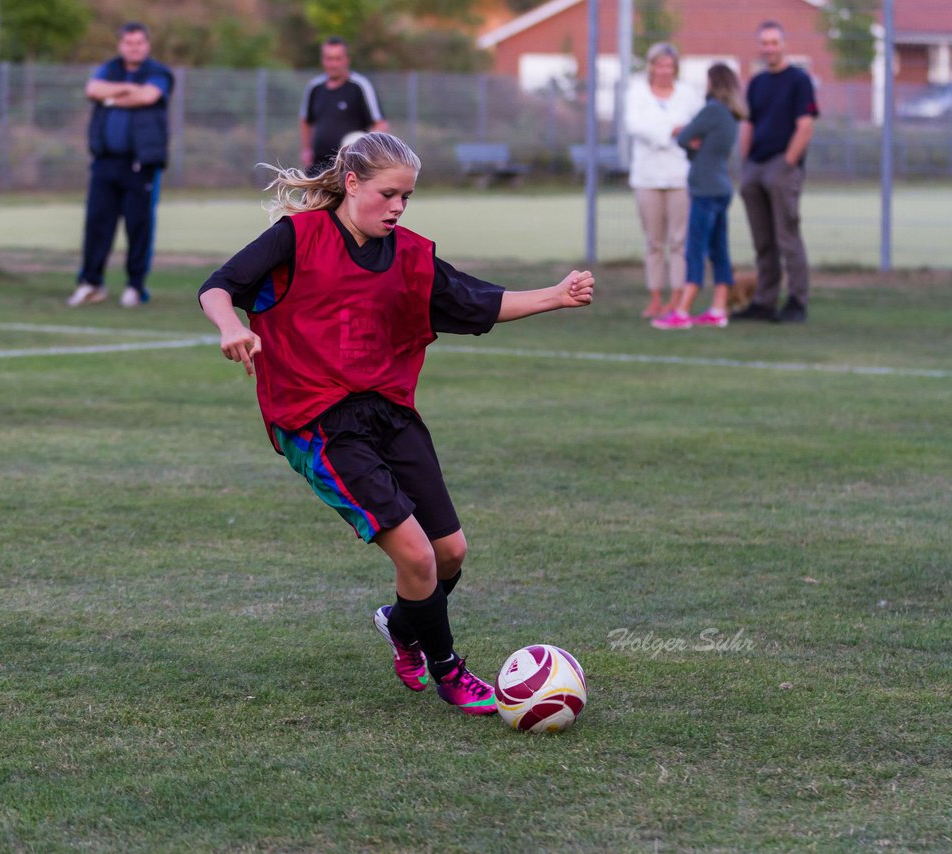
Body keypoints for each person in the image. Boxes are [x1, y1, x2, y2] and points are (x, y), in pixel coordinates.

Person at [198, 133, 594, 716]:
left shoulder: (409, 253)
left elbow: (476, 300)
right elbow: (218, 287)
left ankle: (403, 627)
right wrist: (231, 327)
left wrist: (554, 297)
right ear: (352, 183)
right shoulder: (298, 237)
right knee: (416, 556)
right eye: (388, 194)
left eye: (407, 197)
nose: (398, 208)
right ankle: (450, 672)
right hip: (317, 421)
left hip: (387, 409)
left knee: (450, 552)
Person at [68, 22, 174, 309]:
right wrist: (126, 89)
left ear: (147, 44)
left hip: (141, 165)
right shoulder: (110, 68)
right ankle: (91, 283)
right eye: (129, 43)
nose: (134, 47)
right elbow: (92, 89)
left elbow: (148, 96)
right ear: (121, 44)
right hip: (105, 162)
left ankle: (135, 286)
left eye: (139, 42)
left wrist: (110, 98)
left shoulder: (158, 72)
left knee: (138, 226)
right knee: (96, 224)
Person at [733, 20, 818, 324]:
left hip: (782, 167)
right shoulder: (756, 83)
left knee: (787, 237)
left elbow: (805, 126)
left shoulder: (799, 80)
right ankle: (764, 301)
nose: (769, 48)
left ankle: (796, 301)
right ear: (759, 47)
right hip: (755, 167)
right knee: (763, 241)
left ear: (784, 44)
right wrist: (746, 165)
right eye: (764, 43)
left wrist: (787, 164)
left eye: (774, 42)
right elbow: (748, 124)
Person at [652, 64, 747, 330]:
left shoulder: (712, 110)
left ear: (713, 83)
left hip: (705, 189)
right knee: (719, 251)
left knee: (695, 250)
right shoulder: (730, 115)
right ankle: (718, 309)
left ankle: (682, 311)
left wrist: (693, 142)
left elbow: (683, 136)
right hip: (722, 187)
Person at [624, 42, 703, 319]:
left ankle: (677, 297)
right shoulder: (637, 92)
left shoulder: (688, 94)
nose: (665, 70)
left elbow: (697, 126)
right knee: (654, 241)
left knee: (679, 241)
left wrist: (679, 134)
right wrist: (672, 131)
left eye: (670, 65)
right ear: (651, 66)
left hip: (680, 176)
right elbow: (636, 126)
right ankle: (655, 297)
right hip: (647, 177)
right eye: (660, 64)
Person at [299, 37, 389, 175]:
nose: (333, 64)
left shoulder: (360, 86)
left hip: (350, 168)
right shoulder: (314, 87)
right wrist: (306, 150)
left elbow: (380, 124)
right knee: (309, 197)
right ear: (323, 60)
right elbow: (305, 120)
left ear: (347, 59)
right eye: (329, 58)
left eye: (338, 58)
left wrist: (369, 156)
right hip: (318, 166)